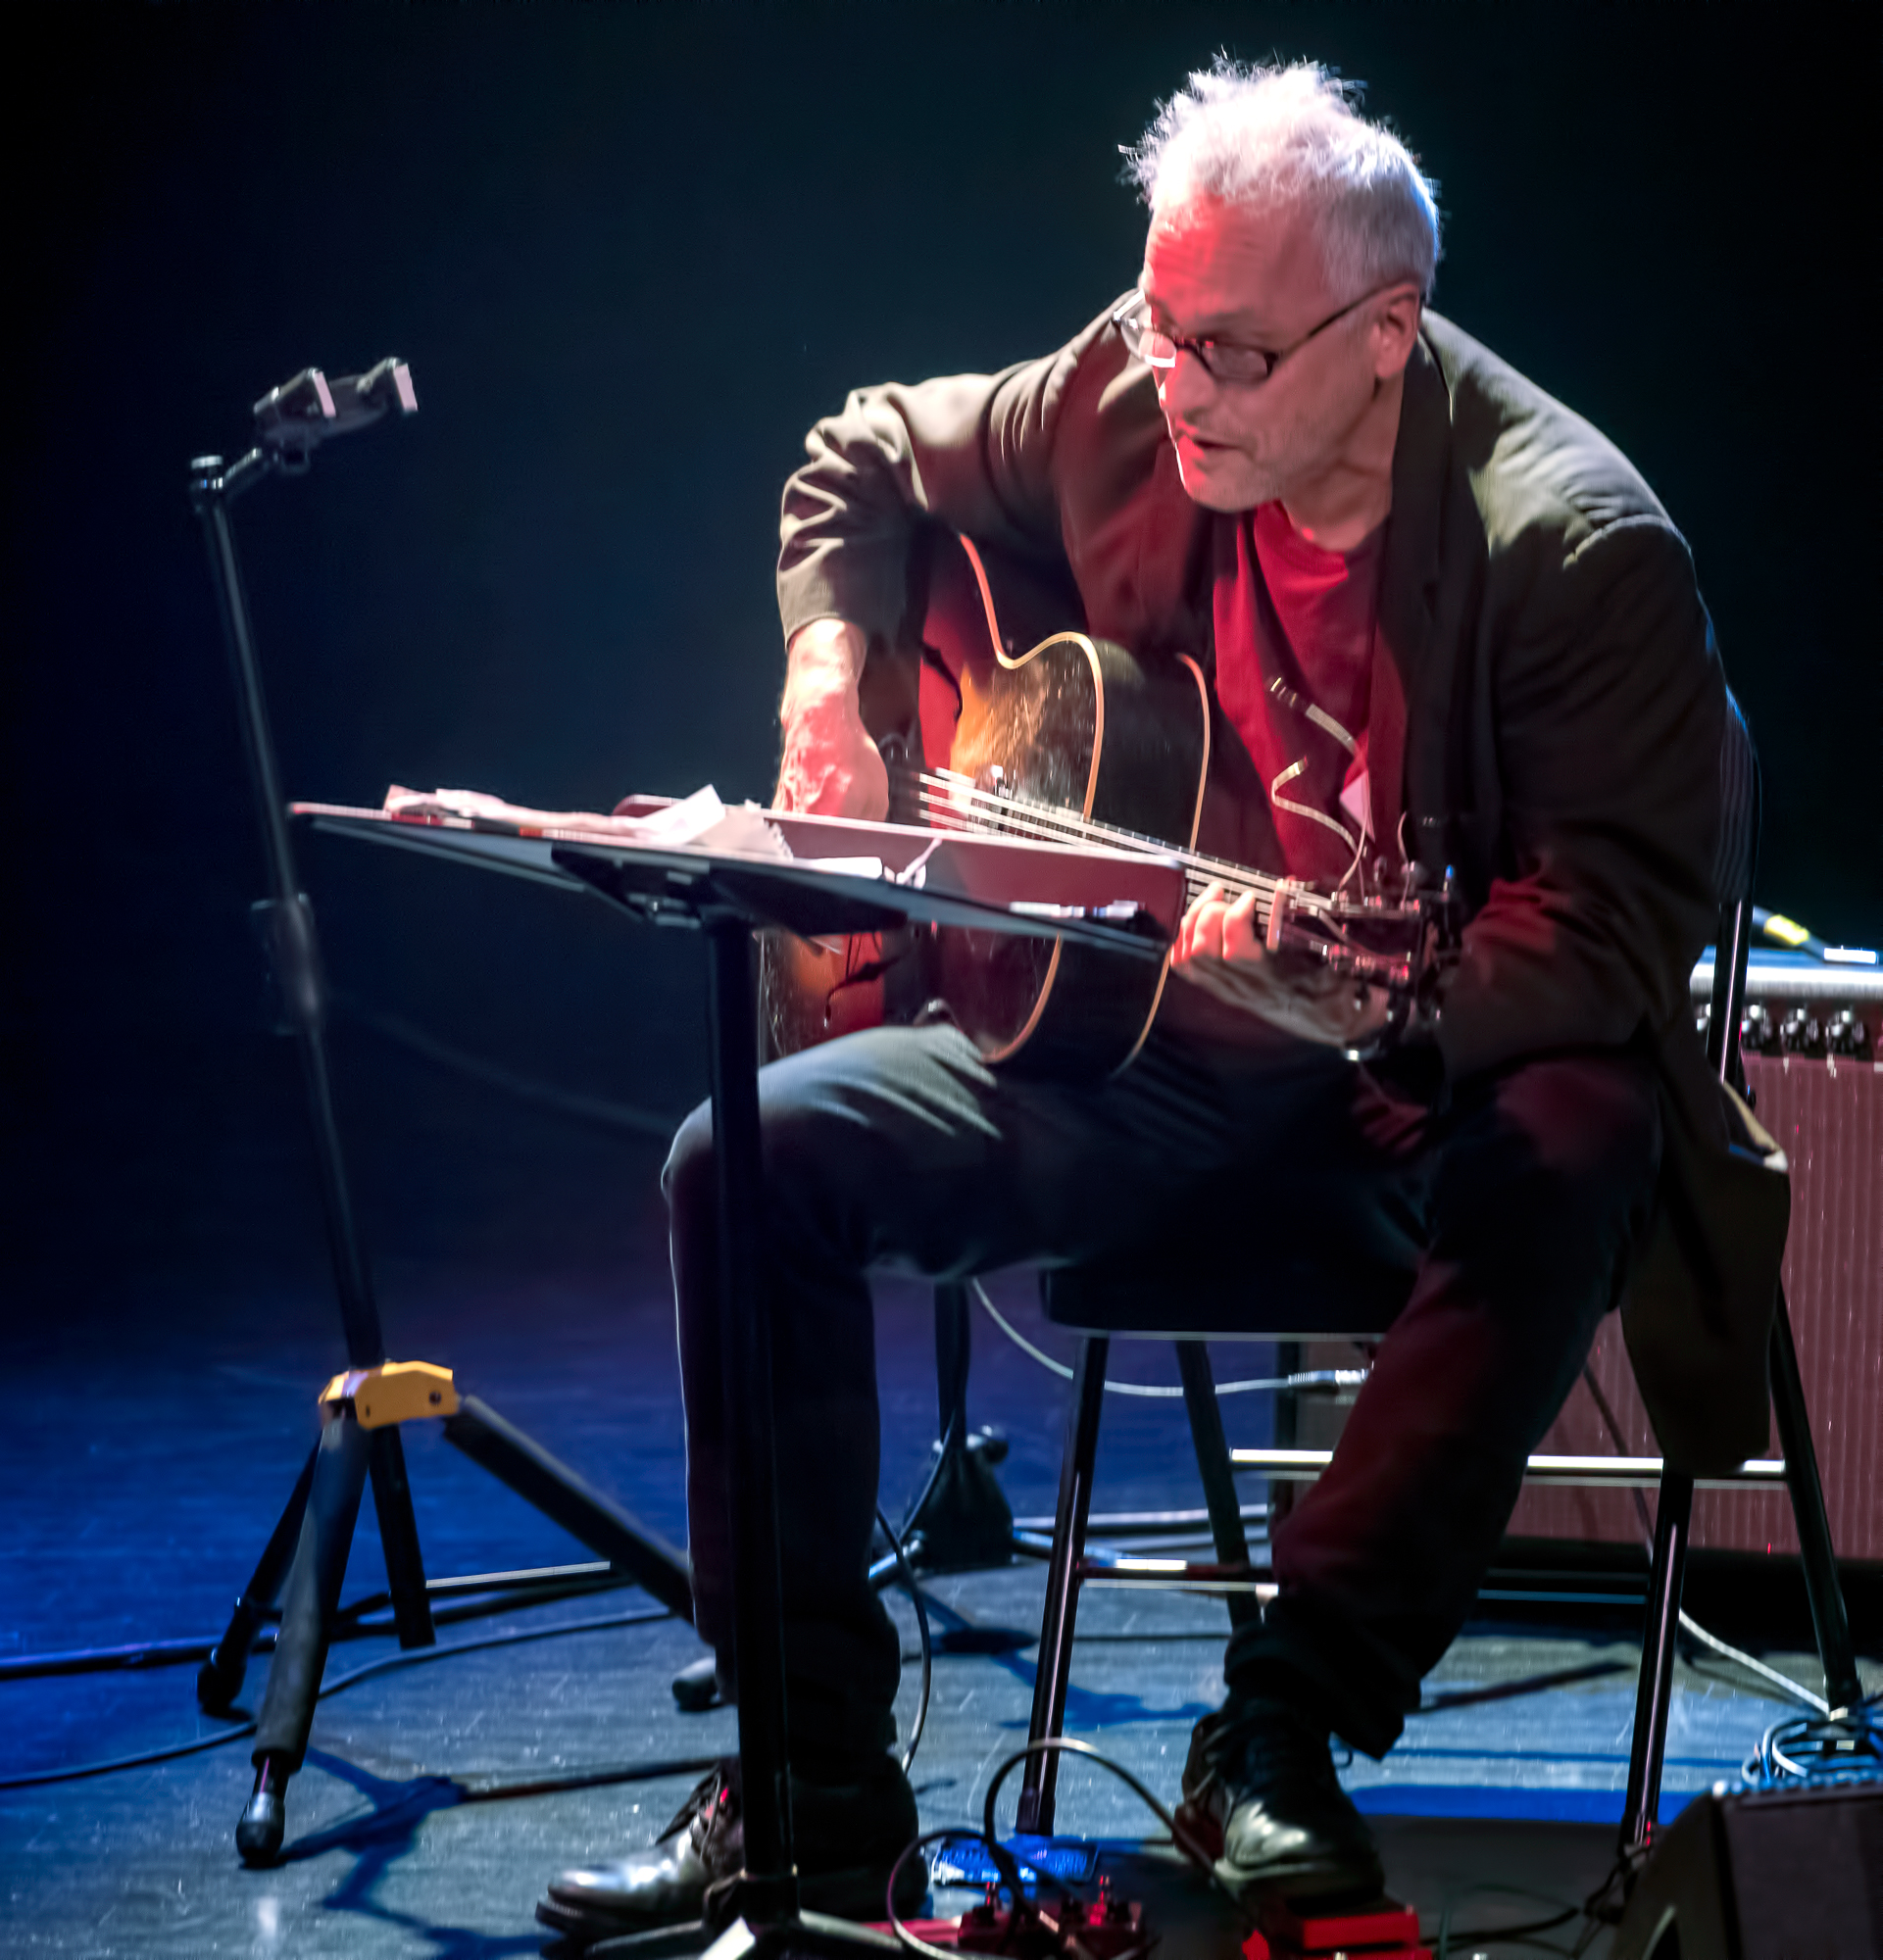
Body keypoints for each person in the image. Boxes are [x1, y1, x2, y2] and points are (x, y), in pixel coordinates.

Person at [540, 58, 1781, 1936]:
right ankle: (808, 1786)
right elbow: (860, 450)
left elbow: (1612, 931)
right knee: (744, 1160)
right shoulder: (1137, 397)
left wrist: (1372, 1018)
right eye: (1160, 322)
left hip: (1409, 1095)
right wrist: (825, 687)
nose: (1176, 382)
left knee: (1582, 1128)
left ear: (1386, 333)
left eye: (1232, 353)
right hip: (1130, 1063)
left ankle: (1276, 1731)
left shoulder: (1572, 548)